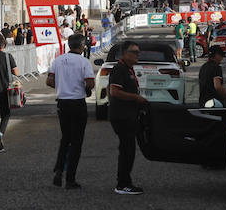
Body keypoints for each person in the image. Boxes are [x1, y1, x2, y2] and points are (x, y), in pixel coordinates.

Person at [47, 34, 96, 189]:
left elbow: (49, 81)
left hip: (62, 102)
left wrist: (62, 85)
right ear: (82, 46)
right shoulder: (84, 62)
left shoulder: (58, 60)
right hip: (77, 103)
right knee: (76, 142)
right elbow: (90, 82)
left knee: (65, 138)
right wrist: (84, 87)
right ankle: (70, 178)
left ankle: (59, 170)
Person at [107, 41, 149, 194]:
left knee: (128, 149)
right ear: (125, 54)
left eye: (138, 52)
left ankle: (124, 181)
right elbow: (114, 91)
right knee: (127, 149)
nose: (138, 55)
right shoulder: (119, 69)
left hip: (128, 114)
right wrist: (136, 98)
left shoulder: (128, 69)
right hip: (122, 116)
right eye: (134, 52)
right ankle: (123, 184)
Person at [197, 44, 226, 109]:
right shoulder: (216, 68)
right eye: (221, 55)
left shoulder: (203, 67)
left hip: (203, 101)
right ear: (216, 55)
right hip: (214, 103)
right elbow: (218, 87)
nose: (222, 58)